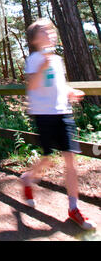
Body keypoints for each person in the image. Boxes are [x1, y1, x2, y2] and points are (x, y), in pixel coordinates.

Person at [21, 18, 96, 231]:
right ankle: (27, 179)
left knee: (70, 160)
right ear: (35, 39)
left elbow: (59, 84)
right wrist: (44, 65)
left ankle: (73, 208)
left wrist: (70, 91)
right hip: (43, 115)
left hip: (63, 113)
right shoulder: (34, 59)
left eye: (51, 30)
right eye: (45, 31)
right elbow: (32, 86)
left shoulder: (57, 59)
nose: (50, 33)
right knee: (47, 159)